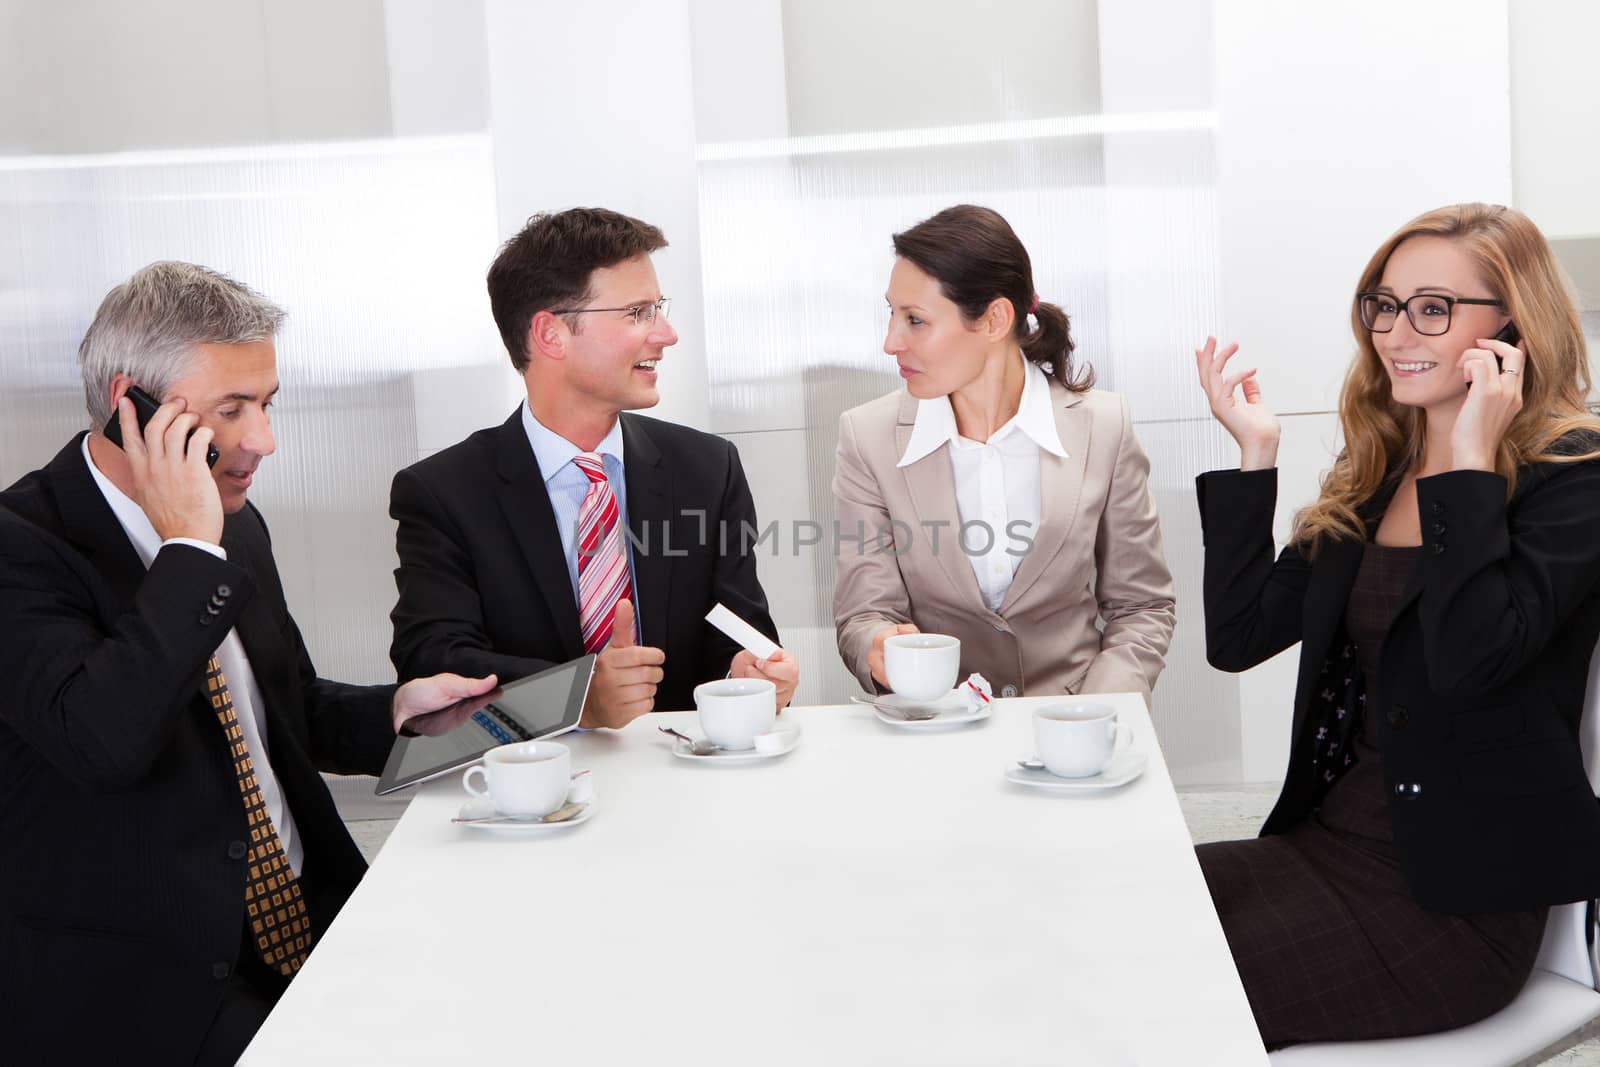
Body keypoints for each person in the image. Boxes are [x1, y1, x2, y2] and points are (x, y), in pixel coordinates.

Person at [0, 262, 497, 1065]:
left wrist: (399, 711)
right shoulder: (22, 548)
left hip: (307, 916)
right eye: (232, 409)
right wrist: (189, 549)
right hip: (152, 983)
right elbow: (102, 738)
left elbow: (280, 707)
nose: (263, 440)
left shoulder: (239, 521)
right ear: (133, 406)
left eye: (266, 404)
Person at [1192, 202, 1600, 1047]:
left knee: (1168, 981)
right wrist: (1255, 455)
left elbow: (1468, 658)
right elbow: (1237, 637)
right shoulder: (1378, 467)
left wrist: (1471, 462)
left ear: (1513, 330)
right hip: (1326, 842)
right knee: (1115, 909)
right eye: (1385, 303)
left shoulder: (1575, 478)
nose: (1395, 330)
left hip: (1454, 906)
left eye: (1434, 307)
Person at [389, 207, 798, 725]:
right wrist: (577, 696)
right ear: (551, 335)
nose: (666, 334)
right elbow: (432, 659)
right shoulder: (443, 493)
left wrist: (750, 675)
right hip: (529, 783)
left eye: (659, 308)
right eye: (637, 313)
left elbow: (736, 632)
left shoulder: (707, 469)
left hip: (683, 772)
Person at [831, 204, 1175, 702]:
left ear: (994, 319)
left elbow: (1141, 608)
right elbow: (864, 614)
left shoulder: (1104, 427)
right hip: (936, 734)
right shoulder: (867, 438)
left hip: (1079, 735)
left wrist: (1099, 712)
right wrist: (877, 645)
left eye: (915, 320)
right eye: (892, 313)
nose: (890, 342)